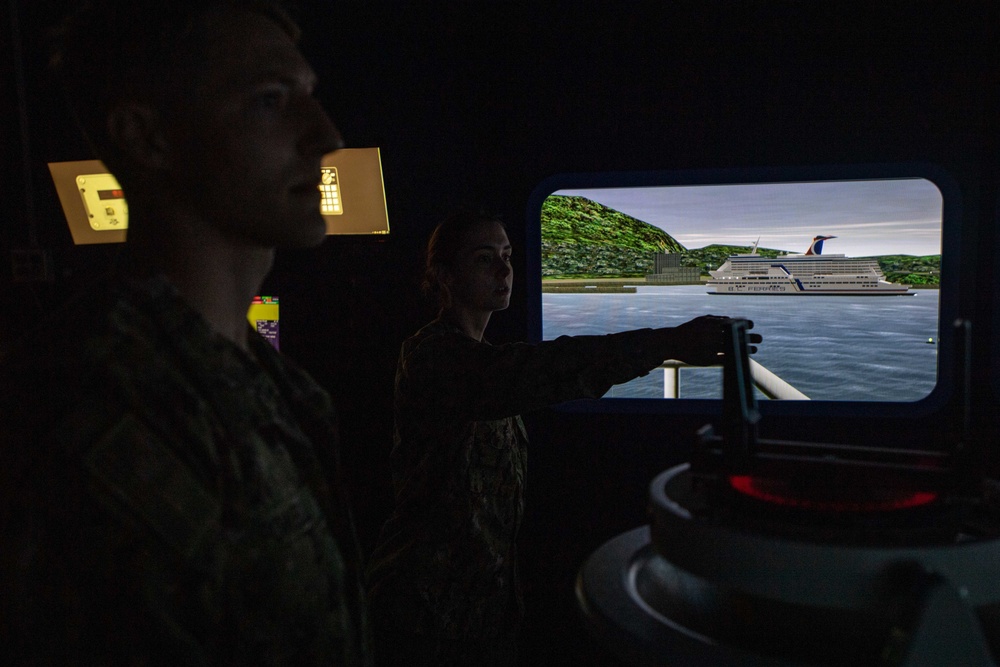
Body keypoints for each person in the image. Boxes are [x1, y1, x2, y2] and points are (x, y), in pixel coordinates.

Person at [0, 1, 369, 664]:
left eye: (310, 96)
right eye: (268, 100)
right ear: (148, 138)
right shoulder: (98, 408)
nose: (327, 136)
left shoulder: (269, 380)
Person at [365, 211, 761, 665]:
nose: (504, 269)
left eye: (508, 256)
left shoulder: (480, 361)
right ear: (443, 276)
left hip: (480, 608)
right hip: (424, 612)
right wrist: (664, 343)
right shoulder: (432, 357)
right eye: (483, 258)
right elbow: (538, 370)